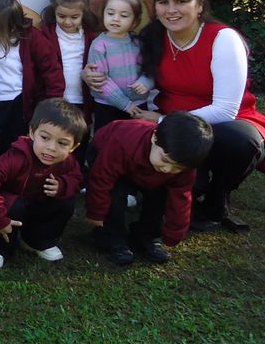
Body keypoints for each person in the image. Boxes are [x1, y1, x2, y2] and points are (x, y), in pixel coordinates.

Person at [85, 0, 265, 230]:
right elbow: (123, 67)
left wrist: (164, 120)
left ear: (199, 5)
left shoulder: (223, 38)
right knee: (178, 177)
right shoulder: (153, 37)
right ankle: (184, 189)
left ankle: (217, 200)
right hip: (168, 123)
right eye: (164, 2)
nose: (171, 10)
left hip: (224, 122)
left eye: (181, 1)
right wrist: (89, 73)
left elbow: (226, 109)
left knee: (240, 142)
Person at [86, 113, 213, 266]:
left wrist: (174, 232)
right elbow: (101, 178)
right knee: (115, 193)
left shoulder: (183, 163)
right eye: (165, 160)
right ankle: (112, 238)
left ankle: (146, 235)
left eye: (177, 168)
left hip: (144, 166)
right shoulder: (123, 142)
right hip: (106, 154)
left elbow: (181, 198)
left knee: (161, 195)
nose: (168, 169)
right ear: (154, 138)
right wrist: (96, 213)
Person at [0, 98, 85, 269]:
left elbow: (76, 178)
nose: (51, 147)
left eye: (62, 143)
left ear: (74, 146)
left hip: (37, 205)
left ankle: (37, 241)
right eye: (45, 138)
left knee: (66, 201)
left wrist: (62, 185)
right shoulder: (17, 157)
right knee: (14, 205)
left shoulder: (67, 161)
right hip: (9, 209)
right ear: (32, 133)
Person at [0, 0, 64, 163]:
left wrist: (51, 105)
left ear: (9, 27)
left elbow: (51, 71)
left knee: (14, 148)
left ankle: (11, 177)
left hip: (18, 103)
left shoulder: (31, 37)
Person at [38, 0, 98, 167]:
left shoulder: (90, 37)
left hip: (81, 100)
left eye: (74, 17)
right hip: (55, 99)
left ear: (83, 14)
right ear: (54, 11)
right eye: (62, 16)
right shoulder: (46, 34)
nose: (68, 22)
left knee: (77, 144)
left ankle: (75, 176)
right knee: (52, 142)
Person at [87, 0, 153, 132]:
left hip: (138, 105)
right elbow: (100, 81)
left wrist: (146, 82)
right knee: (107, 140)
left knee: (136, 139)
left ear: (135, 21)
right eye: (110, 13)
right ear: (103, 14)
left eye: (124, 15)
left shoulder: (139, 43)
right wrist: (125, 104)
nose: (115, 19)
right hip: (107, 106)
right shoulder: (99, 45)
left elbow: (150, 69)